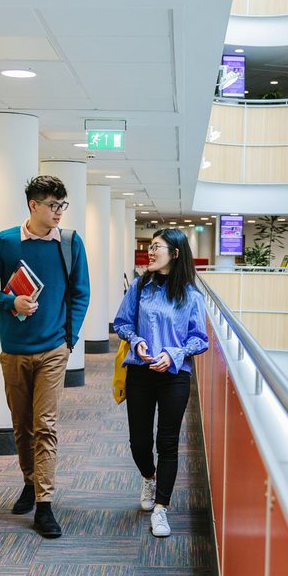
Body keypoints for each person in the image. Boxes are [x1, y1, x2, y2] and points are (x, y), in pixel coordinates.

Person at [0, 175, 90, 539]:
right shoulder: (5, 242)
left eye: (62, 205)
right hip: (14, 351)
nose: (58, 212)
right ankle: (30, 481)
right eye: (52, 205)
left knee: (46, 426)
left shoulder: (70, 243)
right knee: (21, 427)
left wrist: (68, 339)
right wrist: (12, 301)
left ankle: (44, 504)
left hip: (53, 349)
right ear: (33, 206)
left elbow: (80, 293)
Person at [113, 228, 208, 538]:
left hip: (174, 375)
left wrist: (174, 353)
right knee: (139, 441)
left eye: (157, 247)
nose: (150, 252)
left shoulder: (192, 297)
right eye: (150, 247)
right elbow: (122, 323)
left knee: (167, 442)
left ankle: (161, 509)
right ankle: (149, 476)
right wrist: (137, 340)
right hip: (140, 371)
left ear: (175, 253)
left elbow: (199, 339)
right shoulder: (140, 288)